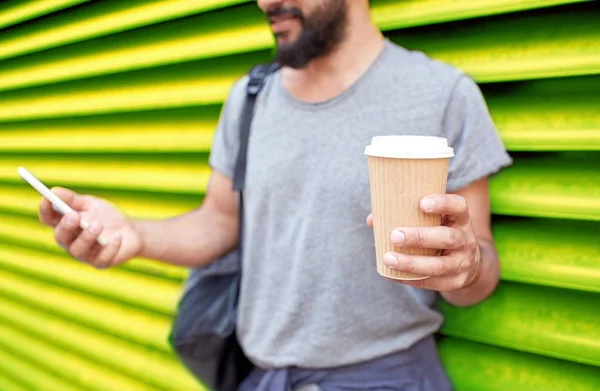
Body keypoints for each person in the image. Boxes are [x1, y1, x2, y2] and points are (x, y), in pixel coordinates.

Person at [38, 0, 513, 390]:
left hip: (386, 378)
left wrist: (466, 265)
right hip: (261, 379)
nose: (266, 3)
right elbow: (219, 222)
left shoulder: (443, 93)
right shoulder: (251, 96)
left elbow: (480, 269)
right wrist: (132, 235)